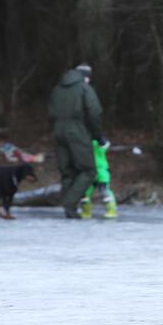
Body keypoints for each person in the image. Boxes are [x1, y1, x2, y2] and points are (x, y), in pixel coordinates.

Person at [48, 63, 107, 219]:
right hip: (77, 131)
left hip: (58, 131)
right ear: (87, 76)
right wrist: (98, 136)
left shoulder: (57, 88)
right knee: (89, 170)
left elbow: (50, 113)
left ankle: (69, 208)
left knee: (68, 172)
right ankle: (70, 203)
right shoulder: (84, 88)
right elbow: (94, 113)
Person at [79, 139, 118, 219]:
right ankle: (86, 212)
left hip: (101, 171)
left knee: (104, 190)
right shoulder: (84, 142)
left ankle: (112, 210)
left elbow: (106, 144)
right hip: (90, 172)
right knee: (85, 192)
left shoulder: (97, 142)